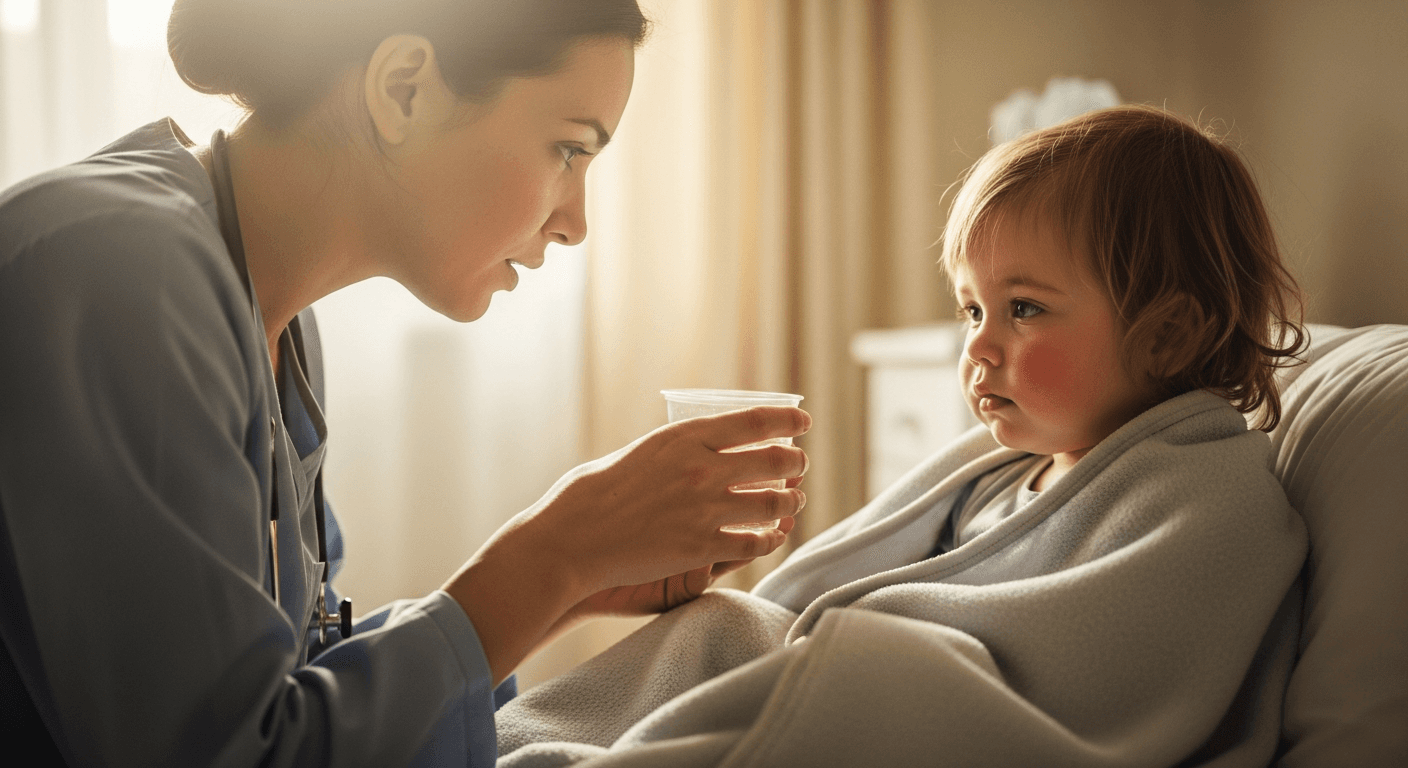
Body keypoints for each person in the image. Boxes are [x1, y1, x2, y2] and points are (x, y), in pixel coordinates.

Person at [0, 1, 811, 766]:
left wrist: (572, 584)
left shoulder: (272, 321)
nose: (576, 222)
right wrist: (554, 555)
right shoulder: (117, 274)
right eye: (569, 148)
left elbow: (298, 686)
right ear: (404, 90)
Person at [493, 106, 1312, 768]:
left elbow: (1098, 678)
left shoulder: (1209, 498)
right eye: (971, 309)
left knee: (867, 675)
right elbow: (814, 602)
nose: (979, 346)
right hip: (871, 678)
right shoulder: (997, 472)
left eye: (1023, 309)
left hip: (939, 713)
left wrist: (869, 653)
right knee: (725, 625)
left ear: (1167, 336)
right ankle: (495, 748)